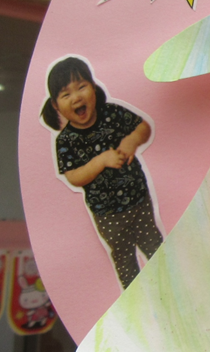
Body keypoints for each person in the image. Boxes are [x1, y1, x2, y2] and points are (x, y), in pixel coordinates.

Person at [40, 56, 159, 288]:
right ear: (55, 105)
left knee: (155, 246)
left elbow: (144, 127)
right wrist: (101, 161)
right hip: (108, 214)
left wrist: (132, 140)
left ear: (93, 87)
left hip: (138, 200)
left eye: (81, 87)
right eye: (66, 94)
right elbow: (74, 177)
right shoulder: (66, 140)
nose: (76, 97)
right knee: (124, 257)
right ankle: (135, 298)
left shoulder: (112, 114)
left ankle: (168, 288)